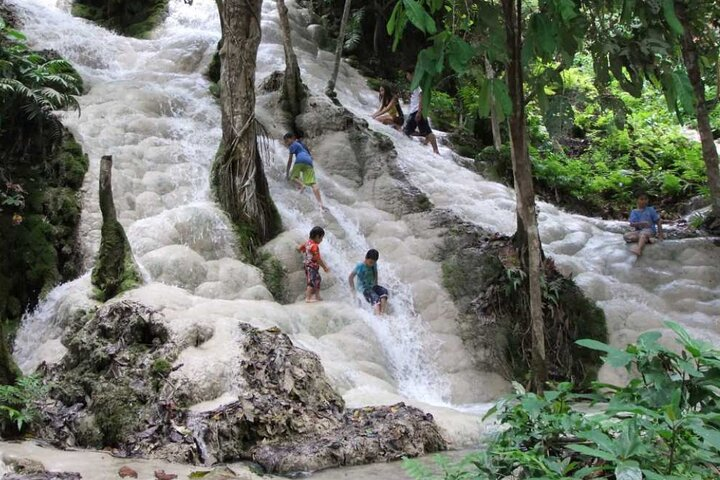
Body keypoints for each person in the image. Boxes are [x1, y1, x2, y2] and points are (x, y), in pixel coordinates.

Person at [284, 133, 325, 210]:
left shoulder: (293, 145)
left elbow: (290, 160)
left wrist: (287, 172)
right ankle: (320, 203)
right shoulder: (302, 145)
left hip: (300, 159)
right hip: (309, 162)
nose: (287, 143)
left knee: (293, 176)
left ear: (292, 138)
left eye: (287, 141)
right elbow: (310, 156)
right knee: (313, 183)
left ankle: (302, 185)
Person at [403, 68, 440, 155]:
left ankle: (435, 150)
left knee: (406, 132)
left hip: (417, 111)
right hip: (415, 111)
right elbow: (415, 98)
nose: (407, 76)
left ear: (412, 75)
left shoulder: (418, 84)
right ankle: (427, 138)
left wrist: (419, 112)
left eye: (407, 74)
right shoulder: (414, 85)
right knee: (409, 131)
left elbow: (421, 98)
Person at [348, 249, 389, 315]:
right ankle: (379, 318)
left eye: (373, 263)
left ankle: (382, 313)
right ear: (366, 258)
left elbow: (375, 272)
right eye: (370, 262)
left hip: (372, 287)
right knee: (376, 298)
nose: (371, 264)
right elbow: (350, 277)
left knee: (384, 291)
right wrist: (353, 291)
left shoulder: (374, 264)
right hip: (363, 289)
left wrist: (376, 284)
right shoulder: (360, 266)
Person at [298, 226, 330, 302]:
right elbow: (317, 259)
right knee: (311, 281)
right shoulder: (314, 246)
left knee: (318, 279)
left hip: (309, 266)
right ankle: (308, 298)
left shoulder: (307, 243)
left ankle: (317, 296)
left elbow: (301, 248)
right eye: (321, 238)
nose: (321, 240)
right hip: (311, 266)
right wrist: (324, 267)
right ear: (317, 236)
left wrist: (299, 249)